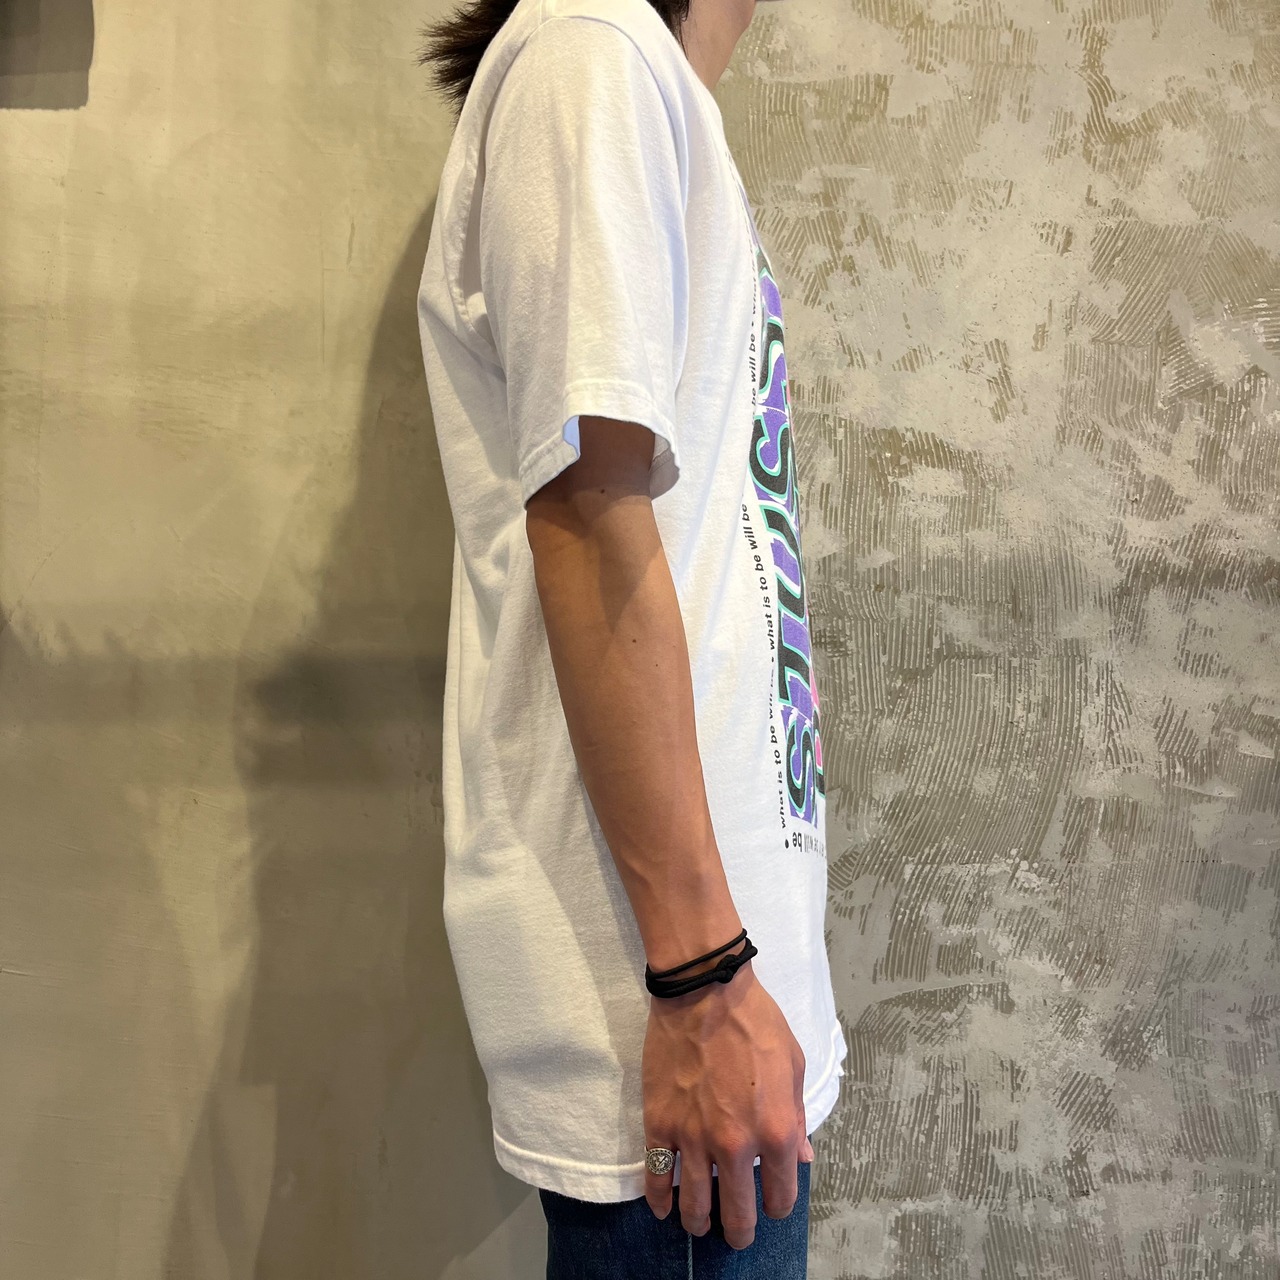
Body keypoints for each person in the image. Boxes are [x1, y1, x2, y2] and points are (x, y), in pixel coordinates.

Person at [416, 0, 846, 1272]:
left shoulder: (628, 73)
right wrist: (701, 979)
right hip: (673, 1008)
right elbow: (589, 515)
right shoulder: (588, 52)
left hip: (714, 993)